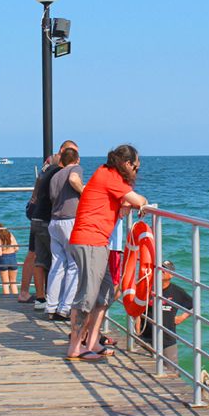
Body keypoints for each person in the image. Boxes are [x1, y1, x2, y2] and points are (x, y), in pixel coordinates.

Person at [66, 144, 147, 361]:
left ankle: (92, 341)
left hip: (99, 242)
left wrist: (125, 203)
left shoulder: (109, 176)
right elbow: (138, 200)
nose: (136, 172)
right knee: (87, 296)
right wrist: (139, 202)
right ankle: (75, 347)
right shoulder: (110, 175)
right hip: (90, 241)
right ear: (127, 164)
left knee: (107, 291)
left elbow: (122, 202)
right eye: (136, 168)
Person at [29, 140, 78, 312]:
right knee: (61, 261)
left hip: (37, 217)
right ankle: (61, 303)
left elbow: (38, 187)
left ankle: (42, 299)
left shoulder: (47, 170)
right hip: (50, 219)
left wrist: (33, 201)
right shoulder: (60, 172)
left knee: (40, 260)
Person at [45, 146, 84, 320]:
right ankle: (65, 307)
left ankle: (51, 306)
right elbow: (74, 179)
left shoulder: (55, 175)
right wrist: (84, 191)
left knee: (57, 265)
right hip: (70, 220)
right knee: (74, 264)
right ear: (77, 159)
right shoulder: (75, 169)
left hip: (54, 221)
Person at [137, 260, 191, 375]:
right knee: (141, 370)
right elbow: (136, 307)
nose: (161, 272)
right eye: (159, 269)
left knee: (172, 373)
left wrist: (182, 317)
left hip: (167, 339)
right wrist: (137, 329)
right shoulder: (147, 287)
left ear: (171, 275)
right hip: (146, 337)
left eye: (164, 270)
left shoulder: (177, 292)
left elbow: (194, 306)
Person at [0, 222, 20, 295]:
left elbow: (0, 253)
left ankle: (6, 299)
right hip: (12, 258)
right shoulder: (11, 235)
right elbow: (17, 248)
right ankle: (15, 297)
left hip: (3, 259)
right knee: (13, 282)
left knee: (5, 283)